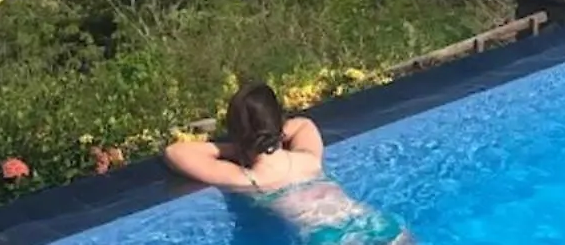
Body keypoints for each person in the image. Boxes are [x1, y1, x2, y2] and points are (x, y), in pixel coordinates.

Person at [164, 82, 415, 245]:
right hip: (380, 227)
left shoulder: (250, 180)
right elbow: (304, 124)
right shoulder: (307, 159)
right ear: (279, 123)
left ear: (237, 133)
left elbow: (176, 153)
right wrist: (270, 136)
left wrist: (234, 147)